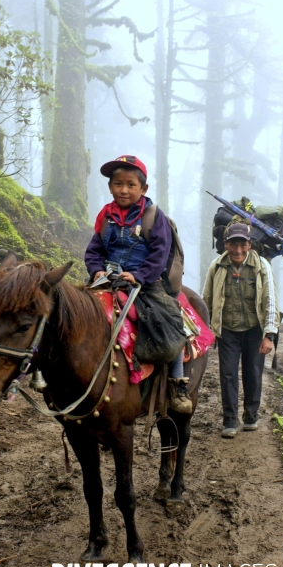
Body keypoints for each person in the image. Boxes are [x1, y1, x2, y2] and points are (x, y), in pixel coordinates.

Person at [85, 154, 190, 413]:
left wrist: (139, 276)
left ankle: (178, 383)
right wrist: (97, 270)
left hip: (146, 282)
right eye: (118, 184)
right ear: (110, 187)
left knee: (170, 318)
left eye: (131, 185)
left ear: (143, 189)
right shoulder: (105, 216)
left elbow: (160, 253)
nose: (124, 190)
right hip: (109, 280)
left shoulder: (154, 216)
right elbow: (94, 250)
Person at [202, 221, 280, 438]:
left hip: (255, 330)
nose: (238, 250)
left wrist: (269, 335)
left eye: (242, 245)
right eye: (233, 244)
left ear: (250, 244)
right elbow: (206, 299)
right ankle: (229, 420)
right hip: (227, 330)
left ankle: (251, 416)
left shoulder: (261, 266)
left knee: (253, 373)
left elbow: (271, 300)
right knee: (227, 374)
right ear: (226, 244)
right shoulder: (217, 266)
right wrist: (204, 330)